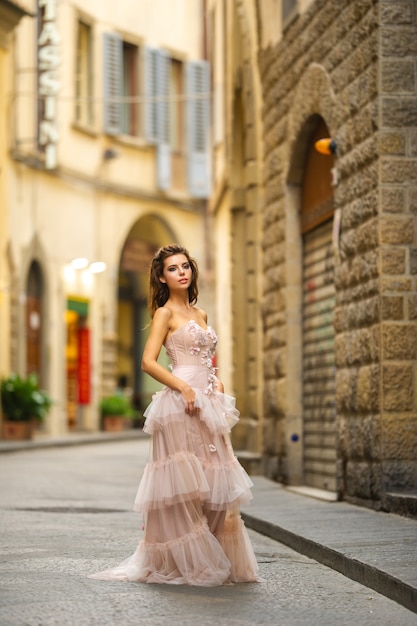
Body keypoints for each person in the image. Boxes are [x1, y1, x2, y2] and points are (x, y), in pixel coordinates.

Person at [89, 243, 260, 586]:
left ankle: (212, 553)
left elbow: (205, 359)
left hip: (209, 400)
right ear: (162, 277)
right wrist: (183, 389)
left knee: (215, 481)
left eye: (185, 266)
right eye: (173, 268)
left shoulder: (201, 315)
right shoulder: (165, 314)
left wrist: (217, 381)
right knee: (185, 486)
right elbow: (148, 361)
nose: (182, 272)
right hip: (181, 404)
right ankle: (186, 561)